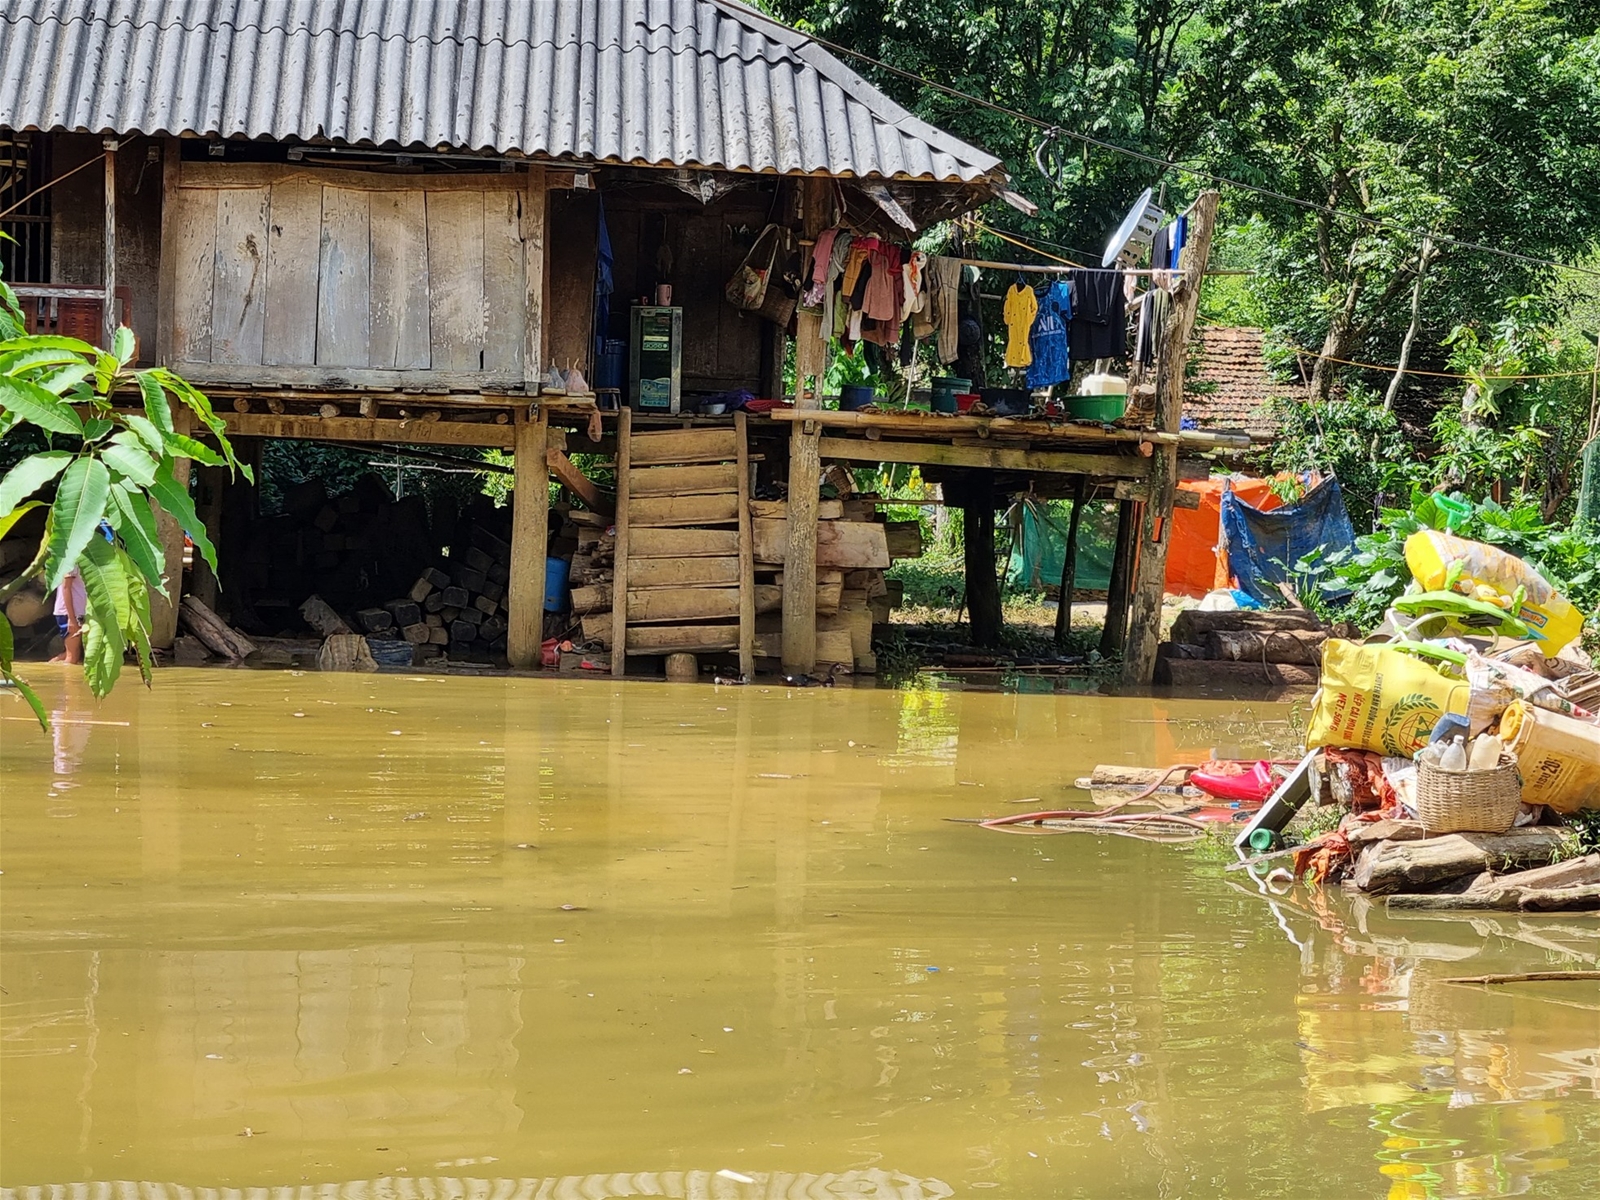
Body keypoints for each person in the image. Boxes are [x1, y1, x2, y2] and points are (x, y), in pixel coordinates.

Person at [51, 566, 87, 665]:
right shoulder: (71, 562)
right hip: (70, 613)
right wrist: (71, 619)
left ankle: (48, 668)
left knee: (71, 653)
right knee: (72, 657)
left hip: (78, 612)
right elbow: (66, 588)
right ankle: (68, 679)